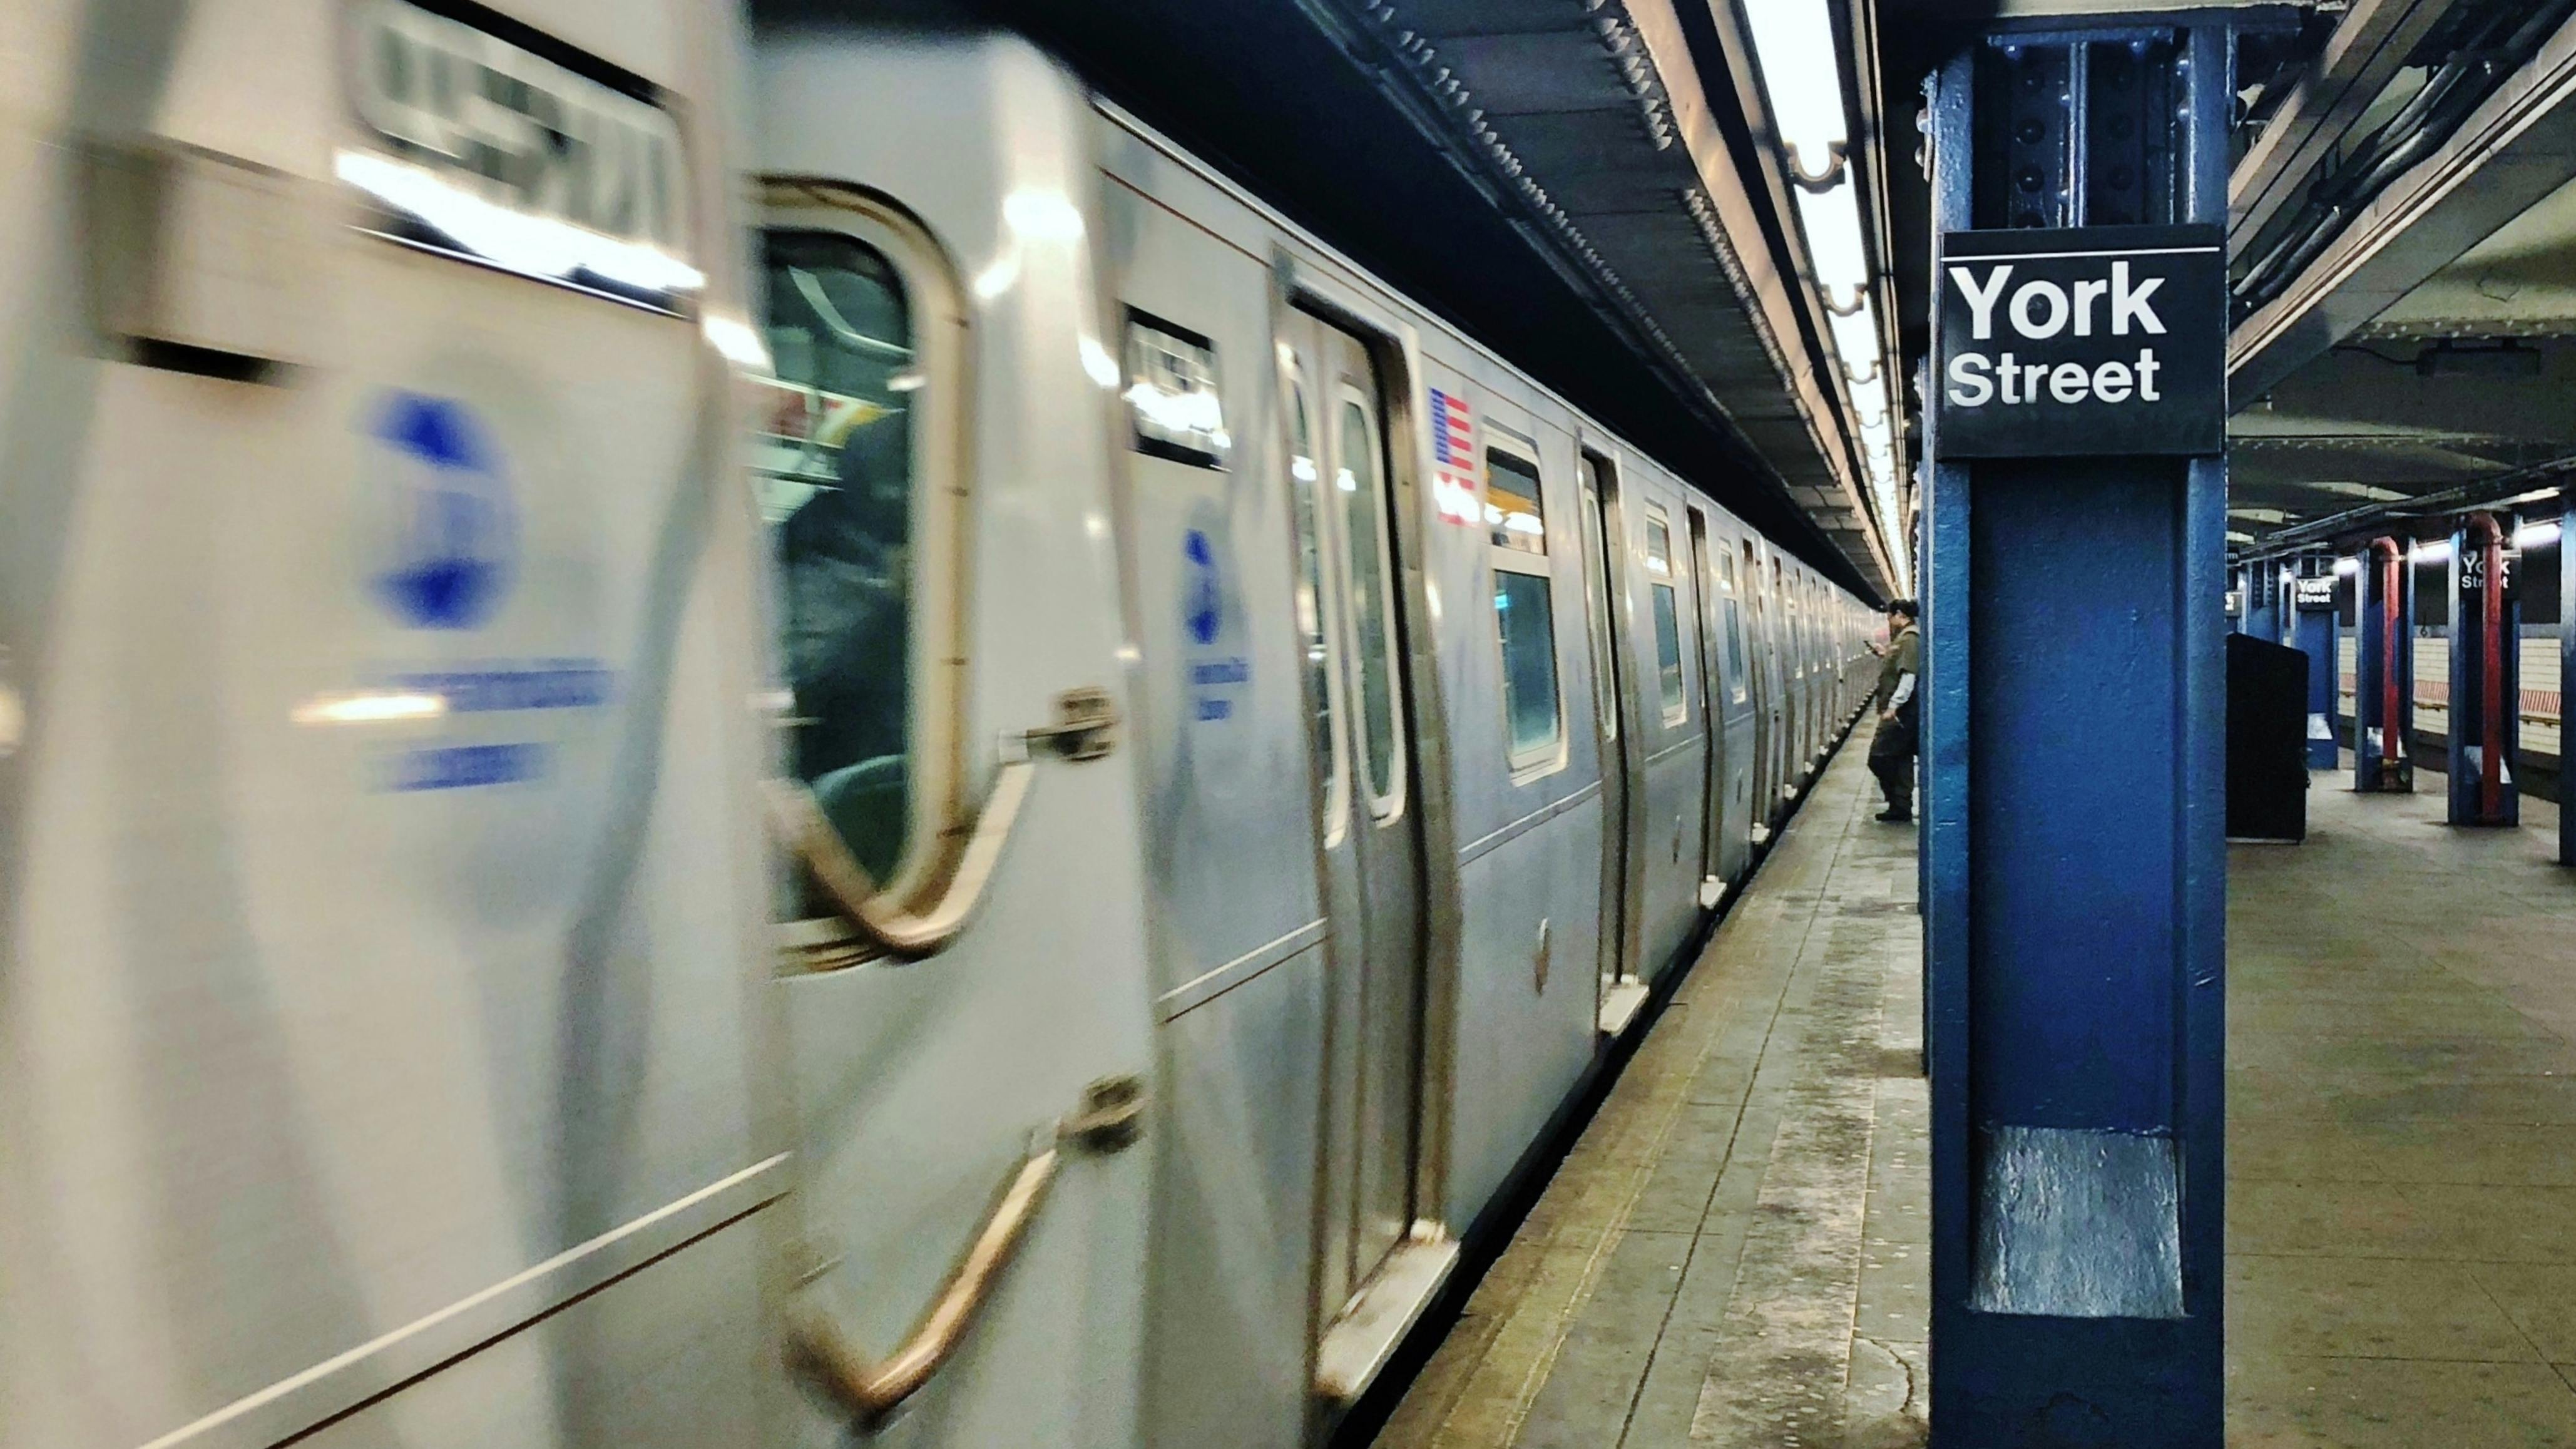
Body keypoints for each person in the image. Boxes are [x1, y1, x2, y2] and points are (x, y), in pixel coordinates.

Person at [1868, 598, 1921, 823]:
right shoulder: (1905, 639)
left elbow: (1909, 675)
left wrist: (1893, 706)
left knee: (1879, 757)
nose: (1889, 621)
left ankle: (1897, 801)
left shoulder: (1910, 639)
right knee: (1902, 759)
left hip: (1902, 713)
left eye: (1890, 617)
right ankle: (1900, 807)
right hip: (1904, 711)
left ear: (1899, 614)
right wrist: (1885, 654)